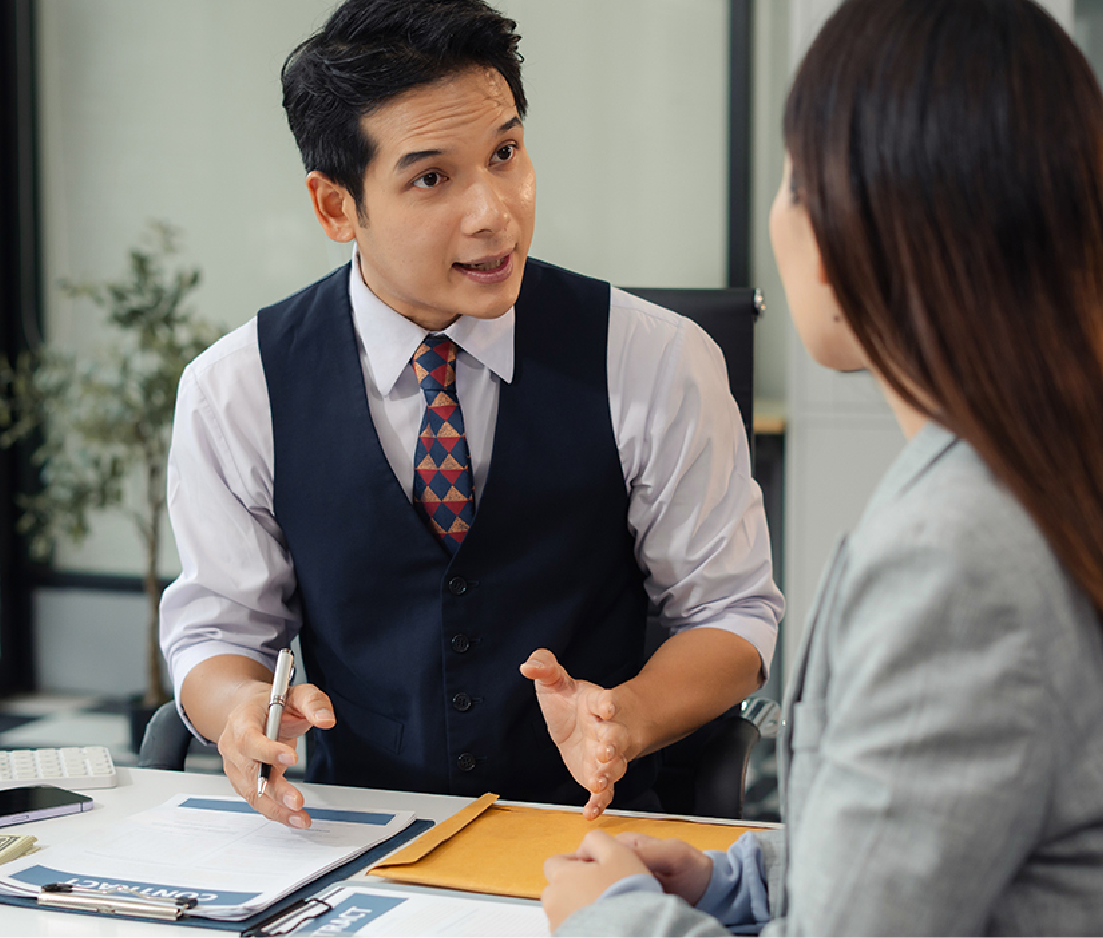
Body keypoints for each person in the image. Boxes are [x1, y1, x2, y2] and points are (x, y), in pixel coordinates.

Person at [541, 0, 1103, 933]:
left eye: (792, 179)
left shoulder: (958, 556)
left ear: (862, 221)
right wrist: (728, 883)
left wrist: (608, 916)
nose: (782, 217)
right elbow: (981, 833)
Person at [159, 0, 782, 830]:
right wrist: (237, 710)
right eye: (430, 178)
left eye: (505, 153)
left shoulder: (655, 360)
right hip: (350, 835)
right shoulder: (235, 389)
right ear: (336, 207)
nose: (494, 211)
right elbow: (216, 631)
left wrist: (622, 718)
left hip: (592, 836)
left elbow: (729, 615)